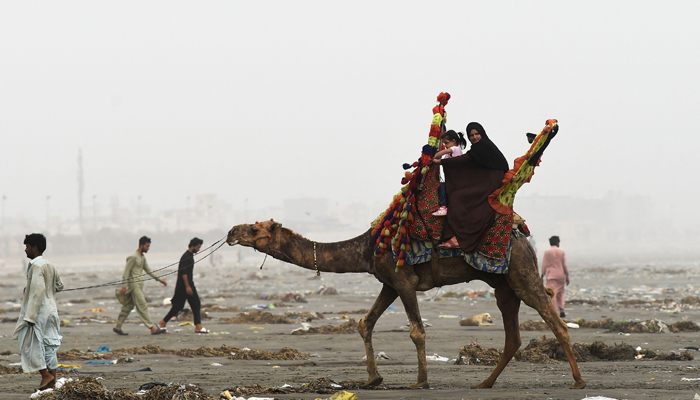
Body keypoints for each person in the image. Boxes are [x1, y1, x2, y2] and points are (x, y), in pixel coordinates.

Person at [432, 122, 509, 250]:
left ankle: (459, 238)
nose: (475, 137)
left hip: (492, 182)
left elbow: (463, 160)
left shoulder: (483, 147)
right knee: (458, 193)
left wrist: (440, 162)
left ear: (482, 134)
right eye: (471, 135)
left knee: (458, 197)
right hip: (486, 179)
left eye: (477, 134)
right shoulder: (477, 150)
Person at [12, 233, 64, 391]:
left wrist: (31, 316)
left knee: (30, 342)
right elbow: (60, 285)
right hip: (52, 311)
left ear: (35, 248)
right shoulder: (49, 264)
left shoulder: (35, 266)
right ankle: (52, 382)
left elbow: (38, 291)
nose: (25, 250)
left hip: (40, 312)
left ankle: (45, 376)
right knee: (49, 346)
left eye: (27, 247)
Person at [113, 236, 168, 335]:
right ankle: (152, 328)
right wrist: (123, 286)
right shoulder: (133, 257)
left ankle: (118, 326)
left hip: (139, 284)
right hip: (134, 285)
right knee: (142, 305)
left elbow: (148, 270)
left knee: (128, 307)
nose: (148, 248)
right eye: (147, 246)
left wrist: (160, 280)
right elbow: (126, 272)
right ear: (141, 245)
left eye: (149, 246)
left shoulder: (142, 257)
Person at [158, 238, 209, 333]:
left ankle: (198, 326)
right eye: (198, 247)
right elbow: (184, 273)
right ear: (192, 246)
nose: (199, 249)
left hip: (187, 284)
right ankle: (163, 322)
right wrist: (187, 286)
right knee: (179, 306)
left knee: (194, 304)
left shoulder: (190, 256)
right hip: (184, 285)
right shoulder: (186, 257)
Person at [432, 130, 467, 217]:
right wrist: (435, 161)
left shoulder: (455, 149)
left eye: (446, 143)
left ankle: (443, 207)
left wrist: (433, 157)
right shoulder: (450, 154)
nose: (445, 146)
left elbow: (442, 153)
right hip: (453, 178)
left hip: (458, 179)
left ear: (454, 141)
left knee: (442, 187)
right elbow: (442, 161)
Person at [541, 235, 569, 318]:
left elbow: (544, 265)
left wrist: (542, 275)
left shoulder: (547, 252)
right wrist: (567, 275)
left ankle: (555, 312)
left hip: (551, 276)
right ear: (558, 242)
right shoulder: (562, 251)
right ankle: (562, 309)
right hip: (560, 275)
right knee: (561, 293)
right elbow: (564, 265)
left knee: (552, 294)